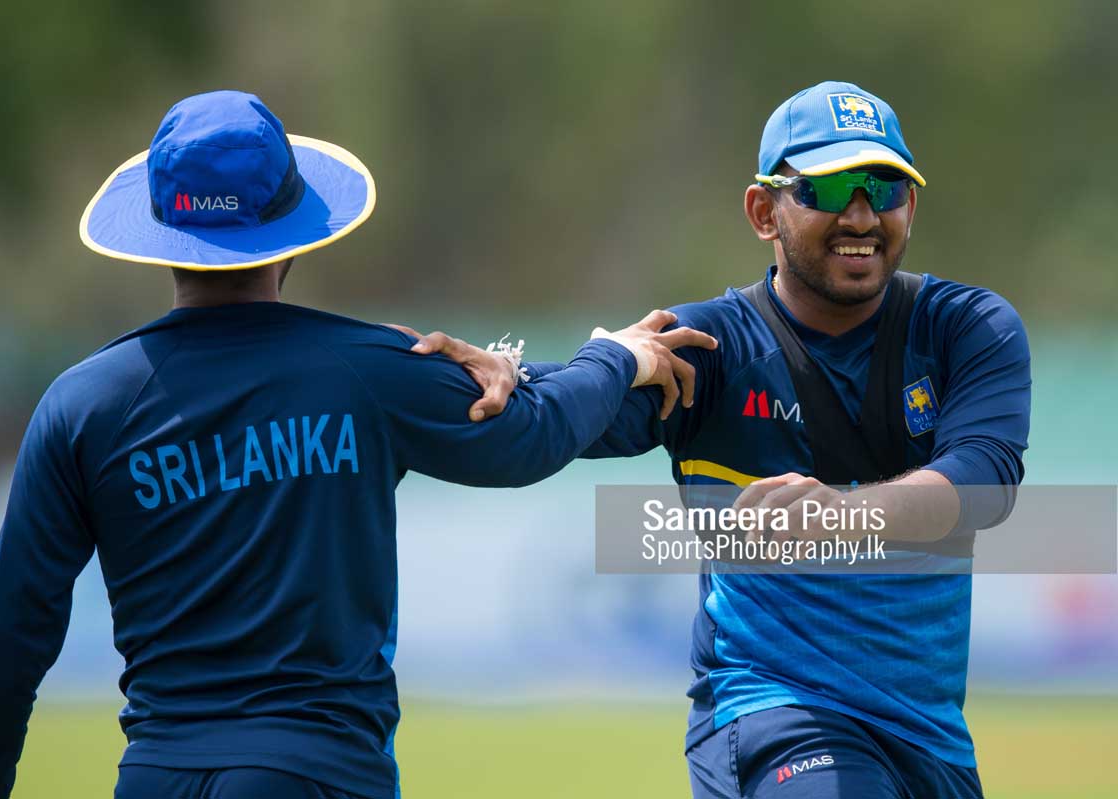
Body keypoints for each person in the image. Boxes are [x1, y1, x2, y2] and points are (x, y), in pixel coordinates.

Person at [0, 90, 717, 799]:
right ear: (292, 235)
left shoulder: (80, 404)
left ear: (163, 235)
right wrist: (614, 358)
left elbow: (8, 642)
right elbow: (531, 436)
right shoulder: (368, 370)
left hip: (154, 774)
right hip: (317, 773)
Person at [409, 81, 1031, 798]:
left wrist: (842, 513)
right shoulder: (708, 347)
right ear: (764, 211)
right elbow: (537, 417)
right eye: (828, 190)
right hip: (776, 717)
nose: (860, 214)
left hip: (931, 737)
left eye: (884, 189)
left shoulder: (966, 328)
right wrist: (468, 374)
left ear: (910, 207)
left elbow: (984, 479)